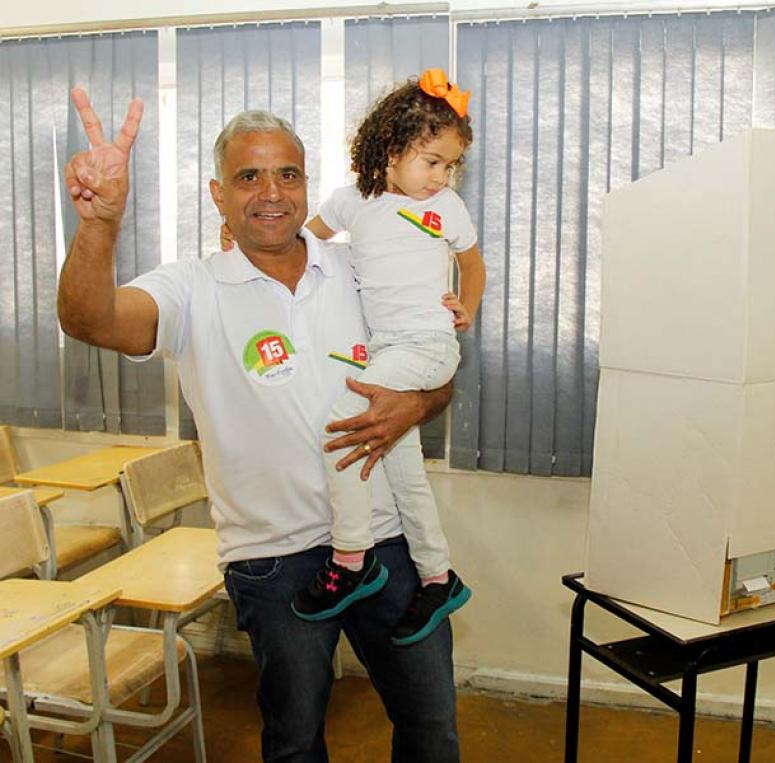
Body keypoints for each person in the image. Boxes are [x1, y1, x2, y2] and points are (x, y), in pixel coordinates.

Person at [58, 88, 461, 762]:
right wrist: (102, 221)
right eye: (249, 175)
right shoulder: (191, 289)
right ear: (219, 194)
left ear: (307, 186)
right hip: (274, 560)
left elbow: (433, 369)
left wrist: (418, 404)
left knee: (431, 729)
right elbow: (90, 319)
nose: (270, 191)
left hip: (388, 544)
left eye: (288, 173)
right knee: (295, 741)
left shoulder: (358, 266)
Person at [221, 68, 484, 645]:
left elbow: (473, 263)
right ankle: (437, 575)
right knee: (401, 465)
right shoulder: (354, 202)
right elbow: (302, 237)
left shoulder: (447, 207)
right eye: (432, 161)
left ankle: (350, 557)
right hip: (390, 348)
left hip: (428, 346)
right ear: (391, 150)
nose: (443, 175)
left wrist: (466, 306)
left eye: (451, 165)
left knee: (345, 426)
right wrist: (238, 237)